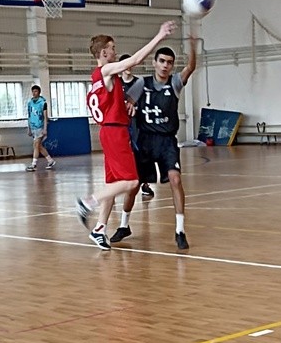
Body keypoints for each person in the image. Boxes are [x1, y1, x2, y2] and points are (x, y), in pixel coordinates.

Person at [76, 22, 176, 250]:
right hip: (115, 132)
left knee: (113, 184)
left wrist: (126, 103)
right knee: (131, 182)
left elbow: (110, 100)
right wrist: (159, 35)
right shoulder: (106, 70)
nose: (115, 51)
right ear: (104, 52)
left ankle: (99, 229)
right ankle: (87, 202)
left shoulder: (97, 78)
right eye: (112, 48)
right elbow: (135, 60)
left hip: (108, 131)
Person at [110, 37, 197, 250]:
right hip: (145, 141)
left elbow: (190, 68)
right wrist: (130, 108)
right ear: (154, 63)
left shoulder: (174, 83)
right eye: (162, 61)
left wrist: (193, 49)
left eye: (169, 62)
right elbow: (128, 103)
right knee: (133, 186)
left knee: (175, 180)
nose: (165, 65)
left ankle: (180, 230)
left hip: (167, 141)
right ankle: (124, 225)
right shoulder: (142, 83)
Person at [118, 54, 154, 199]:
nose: (129, 67)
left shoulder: (139, 83)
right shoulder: (116, 83)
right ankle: (118, 185)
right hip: (121, 124)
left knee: (141, 152)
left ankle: (145, 183)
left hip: (137, 123)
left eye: (130, 64)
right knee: (122, 154)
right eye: (126, 64)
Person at [26, 84, 55, 171]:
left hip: (40, 127)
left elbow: (45, 117)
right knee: (39, 146)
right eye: (33, 91)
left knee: (36, 145)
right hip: (33, 127)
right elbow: (29, 116)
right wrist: (29, 128)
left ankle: (33, 164)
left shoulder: (43, 103)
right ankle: (50, 160)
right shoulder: (30, 103)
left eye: (36, 91)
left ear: (39, 92)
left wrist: (45, 128)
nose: (34, 93)